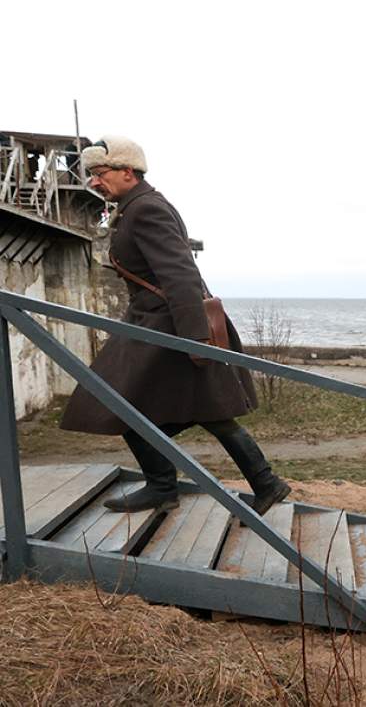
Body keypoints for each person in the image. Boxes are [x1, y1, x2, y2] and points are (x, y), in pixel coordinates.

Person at [60, 136, 290, 515]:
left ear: (128, 172)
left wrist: (195, 338)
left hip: (168, 327)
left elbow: (181, 275)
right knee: (200, 410)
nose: (94, 183)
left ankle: (168, 484)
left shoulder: (146, 209)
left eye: (99, 174)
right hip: (157, 324)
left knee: (124, 404)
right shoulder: (135, 207)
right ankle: (258, 483)